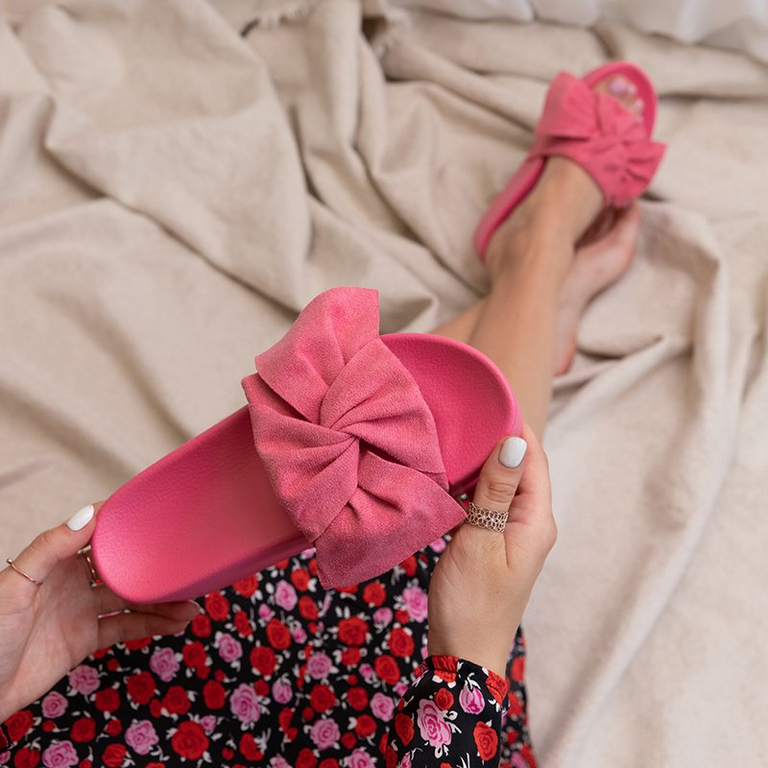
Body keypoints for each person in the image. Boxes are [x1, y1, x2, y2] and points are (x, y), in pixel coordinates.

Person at [0, 67, 650, 768]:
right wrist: (468, 662)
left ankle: (531, 288)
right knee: (422, 528)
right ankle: (538, 257)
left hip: (95, 701)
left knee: (367, 475)